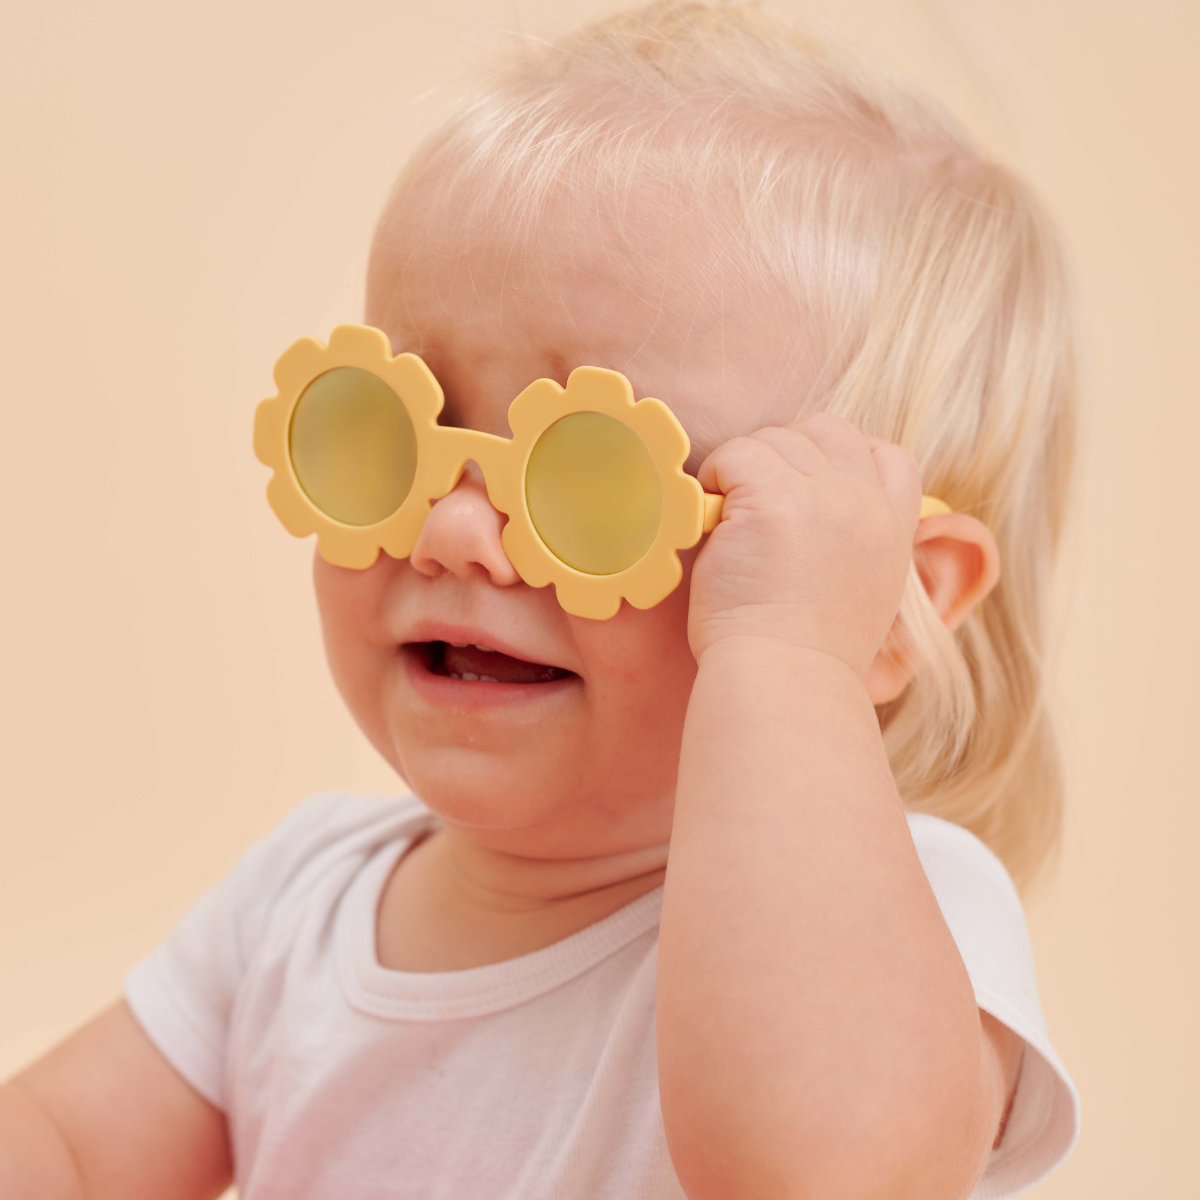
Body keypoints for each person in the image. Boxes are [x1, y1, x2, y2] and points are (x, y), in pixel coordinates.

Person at [0, 4, 1082, 1197]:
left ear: (887, 610)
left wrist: (784, 659)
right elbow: (67, 1148)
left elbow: (818, 1176)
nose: (458, 529)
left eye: (595, 474)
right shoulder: (301, 902)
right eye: (394, 431)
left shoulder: (905, 910)